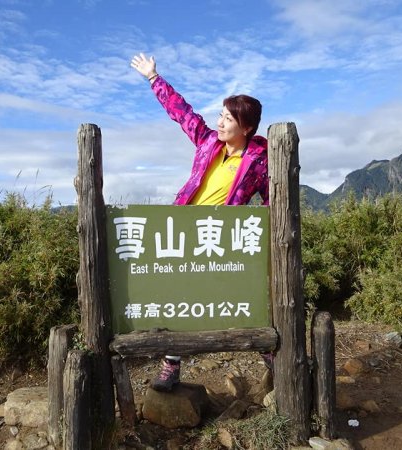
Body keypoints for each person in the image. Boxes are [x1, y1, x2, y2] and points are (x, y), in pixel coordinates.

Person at [130, 53, 270, 391]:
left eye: (227, 119)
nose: (220, 123)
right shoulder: (208, 142)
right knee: (180, 296)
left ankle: (274, 356)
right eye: (220, 116)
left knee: (243, 296)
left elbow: (271, 201)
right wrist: (154, 78)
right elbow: (182, 113)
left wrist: (268, 243)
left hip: (225, 237)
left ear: (246, 127)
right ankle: (172, 365)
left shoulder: (260, 160)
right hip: (187, 231)